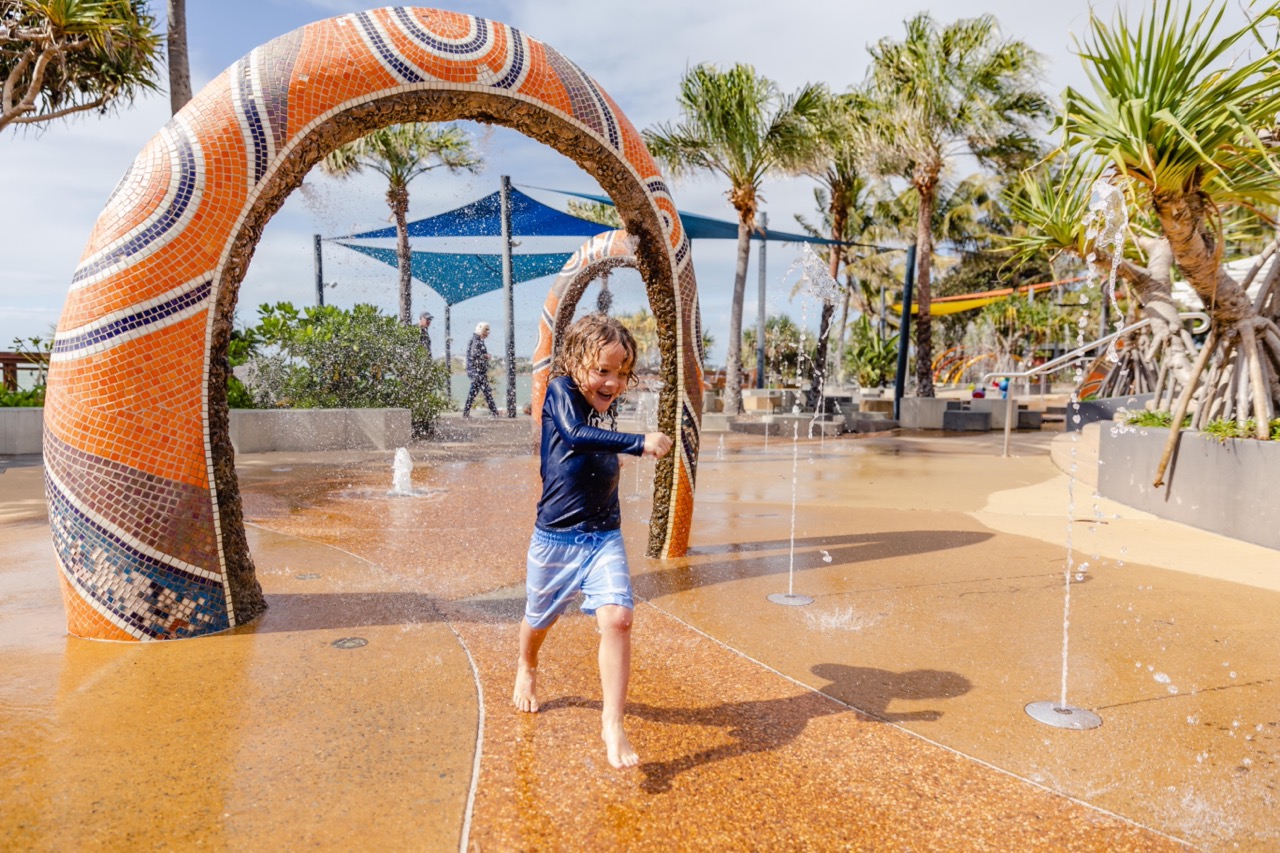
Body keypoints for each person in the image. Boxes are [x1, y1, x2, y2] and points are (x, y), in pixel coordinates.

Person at [512, 313, 672, 769]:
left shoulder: (602, 408)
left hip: (604, 534)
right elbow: (575, 436)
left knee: (619, 618)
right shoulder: (561, 392)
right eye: (603, 370)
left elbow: (592, 446)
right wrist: (636, 443)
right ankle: (527, 665)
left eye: (621, 373)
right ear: (574, 361)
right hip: (556, 538)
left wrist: (615, 458)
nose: (612, 382)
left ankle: (612, 722)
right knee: (538, 618)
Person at [462, 321, 500, 417]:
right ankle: (494, 412)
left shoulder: (477, 339)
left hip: (477, 371)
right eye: (486, 330)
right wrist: (485, 356)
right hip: (476, 371)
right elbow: (474, 354)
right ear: (481, 330)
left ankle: (466, 412)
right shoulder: (476, 340)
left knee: (477, 391)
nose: (488, 333)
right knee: (484, 391)